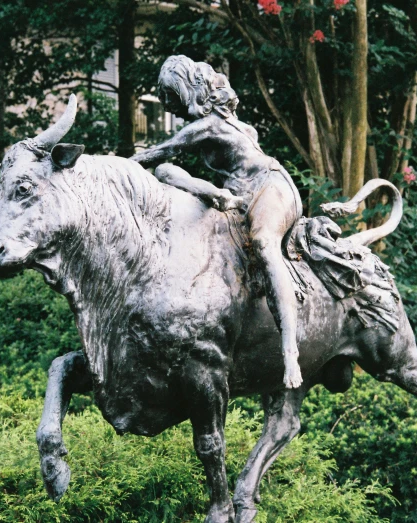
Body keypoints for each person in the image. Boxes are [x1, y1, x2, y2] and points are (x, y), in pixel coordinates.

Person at [130, 55, 305, 389]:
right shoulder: (220, 121)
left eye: (173, 100)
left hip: (270, 187)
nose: (171, 110)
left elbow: (159, 151)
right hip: (235, 194)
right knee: (167, 175)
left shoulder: (208, 125)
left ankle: (289, 349)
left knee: (265, 243)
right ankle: (213, 195)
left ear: (185, 92)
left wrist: (107, 168)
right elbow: (163, 165)